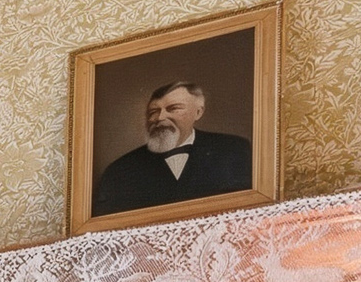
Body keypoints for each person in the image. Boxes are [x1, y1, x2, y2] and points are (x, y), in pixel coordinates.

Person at [92, 80, 252, 216]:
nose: (160, 118)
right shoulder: (120, 171)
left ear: (198, 112)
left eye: (173, 108)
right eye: (153, 112)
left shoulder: (234, 150)